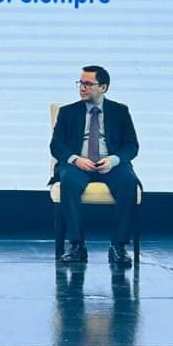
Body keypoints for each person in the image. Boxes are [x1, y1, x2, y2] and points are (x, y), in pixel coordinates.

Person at [50, 66, 140, 267]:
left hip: (110, 163)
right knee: (69, 181)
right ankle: (76, 246)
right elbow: (56, 146)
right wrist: (76, 159)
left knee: (128, 182)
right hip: (79, 164)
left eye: (88, 84)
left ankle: (118, 247)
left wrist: (113, 160)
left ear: (103, 87)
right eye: (80, 83)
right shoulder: (67, 112)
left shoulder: (120, 111)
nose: (82, 88)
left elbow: (132, 146)